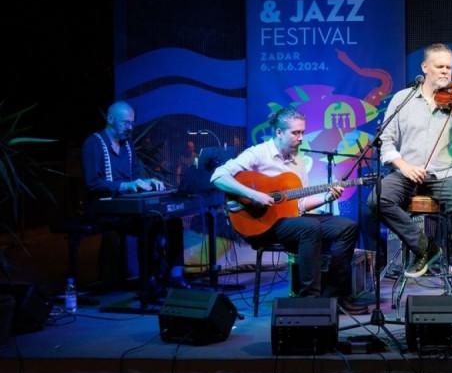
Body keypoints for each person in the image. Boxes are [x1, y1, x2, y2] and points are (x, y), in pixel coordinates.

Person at [209, 107, 369, 315]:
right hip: (261, 224)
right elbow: (218, 176)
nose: (301, 138)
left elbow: (299, 203)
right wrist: (253, 194)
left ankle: (335, 297)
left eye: (302, 132)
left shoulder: (298, 161)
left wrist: (326, 198)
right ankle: (310, 301)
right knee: (309, 227)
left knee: (347, 227)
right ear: (279, 132)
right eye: (295, 133)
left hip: (290, 220)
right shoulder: (258, 153)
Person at [367, 42, 452, 278]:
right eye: (439, 66)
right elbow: (386, 140)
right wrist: (404, 166)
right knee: (377, 200)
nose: (445, 71)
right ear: (425, 67)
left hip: (445, 173)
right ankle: (425, 247)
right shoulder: (403, 99)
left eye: (449, 67)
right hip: (407, 171)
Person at [81, 101, 190, 290]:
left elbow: (135, 178)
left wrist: (148, 182)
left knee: (173, 222)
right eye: (125, 123)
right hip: (104, 208)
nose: (130, 128)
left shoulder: (128, 146)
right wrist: (125, 185)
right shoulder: (94, 144)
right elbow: (92, 183)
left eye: (132, 123)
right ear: (110, 118)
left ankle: (176, 275)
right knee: (148, 223)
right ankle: (148, 280)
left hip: (127, 206)